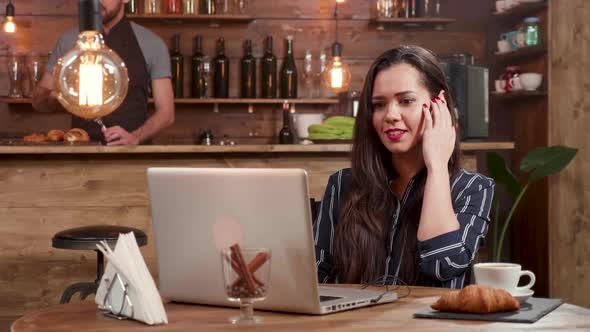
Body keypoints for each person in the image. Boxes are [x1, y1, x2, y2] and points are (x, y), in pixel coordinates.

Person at [313, 45, 495, 289]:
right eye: (378, 105)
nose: (390, 115)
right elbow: (316, 277)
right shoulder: (342, 185)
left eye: (406, 100)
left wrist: (437, 167)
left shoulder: (473, 188)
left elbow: (443, 263)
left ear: (438, 105)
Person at [32, 0, 174, 145]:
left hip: (132, 156)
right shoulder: (68, 41)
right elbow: (39, 102)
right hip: (80, 155)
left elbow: (166, 113)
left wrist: (136, 137)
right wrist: (56, 95)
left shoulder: (151, 44)